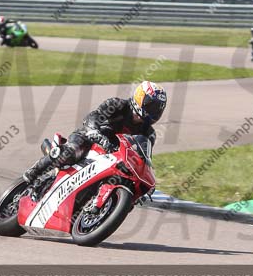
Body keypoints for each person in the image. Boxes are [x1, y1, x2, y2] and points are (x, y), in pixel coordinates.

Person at [22, 81, 167, 194]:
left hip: (113, 157)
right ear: (140, 98)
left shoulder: (149, 133)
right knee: (70, 152)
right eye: (151, 105)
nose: (153, 111)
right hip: (90, 140)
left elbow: (143, 157)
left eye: (157, 108)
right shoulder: (118, 105)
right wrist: (96, 134)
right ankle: (34, 172)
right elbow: (92, 117)